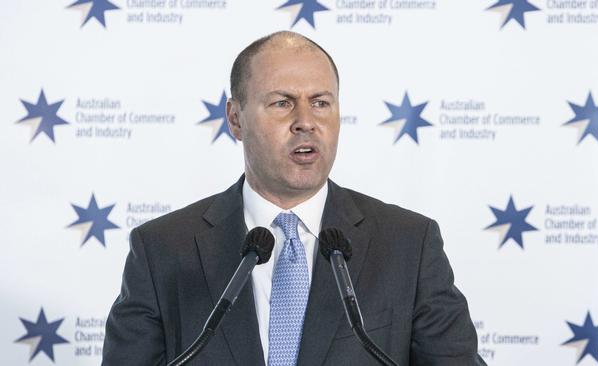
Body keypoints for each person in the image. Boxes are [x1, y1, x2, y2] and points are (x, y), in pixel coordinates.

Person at [102, 31, 486, 366]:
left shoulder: (408, 244)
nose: (306, 120)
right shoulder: (162, 249)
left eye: (320, 102)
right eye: (282, 102)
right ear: (235, 119)